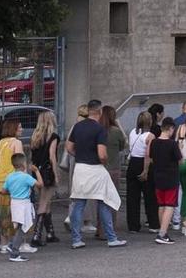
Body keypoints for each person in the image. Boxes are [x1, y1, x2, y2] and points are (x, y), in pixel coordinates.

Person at [66, 100, 125, 248]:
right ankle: (111, 238)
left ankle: (76, 239)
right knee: (104, 202)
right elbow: (102, 154)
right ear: (99, 112)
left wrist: (79, 155)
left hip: (80, 168)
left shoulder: (77, 127)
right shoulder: (100, 129)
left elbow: (69, 147)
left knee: (79, 204)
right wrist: (103, 161)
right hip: (95, 168)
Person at [0, 116, 25, 254]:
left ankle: (4, 244)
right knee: (17, 213)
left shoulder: (1, 142)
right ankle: (18, 243)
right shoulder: (16, 143)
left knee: (4, 214)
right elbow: (20, 162)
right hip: (12, 181)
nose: (22, 129)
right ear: (13, 128)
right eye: (19, 127)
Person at [29, 109, 60, 244]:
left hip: (36, 172)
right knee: (44, 203)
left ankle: (50, 233)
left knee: (46, 202)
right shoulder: (53, 137)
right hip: (47, 172)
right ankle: (37, 234)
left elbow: (33, 156)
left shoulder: (35, 136)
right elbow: (52, 156)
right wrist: (56, 173)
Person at [149, 119, 182, 245]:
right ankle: (162, 233)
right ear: (170, 129)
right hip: (171, 177)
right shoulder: (172, 144)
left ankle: (163, 231)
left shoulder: (154, 142)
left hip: (157, 176)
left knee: (161, 205)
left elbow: (151, 158)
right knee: (170, 206)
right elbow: (180, 160)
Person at [2, 155, 40, 260]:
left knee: (19, 226)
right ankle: (14, 250)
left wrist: (13, 191)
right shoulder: (25, 177)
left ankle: (12, 245)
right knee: (23, 227)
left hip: (14, 202)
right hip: (24, 204)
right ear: (24, 165)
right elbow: (40, 184)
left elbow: (3, 191)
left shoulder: (10, 176)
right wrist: (36, 172)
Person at [125, 110, 155, 233]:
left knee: (132, 196)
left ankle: (133, 225)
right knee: (150, 196)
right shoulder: (150, 136)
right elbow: (148, 155)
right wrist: (146, 170)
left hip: (133, 163)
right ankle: (153, 223)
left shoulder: (133, 132)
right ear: (150, 122)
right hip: (143, 162)